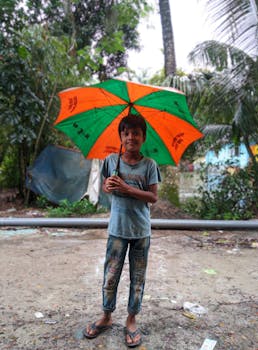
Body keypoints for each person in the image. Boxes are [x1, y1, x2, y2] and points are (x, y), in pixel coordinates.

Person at [84, 114, 161, 347]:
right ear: (121, 136)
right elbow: (108, 187)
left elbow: (153, 197)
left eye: (136, 133)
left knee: (137, 279)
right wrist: (108, 186)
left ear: (143, 137)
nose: (131, 137)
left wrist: (127, 188)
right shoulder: (111, 161)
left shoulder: (149, 165)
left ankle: (131, 320)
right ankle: (106, 316)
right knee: (110, 276)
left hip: (140, 232)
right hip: (117, 230)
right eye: (126, 133)